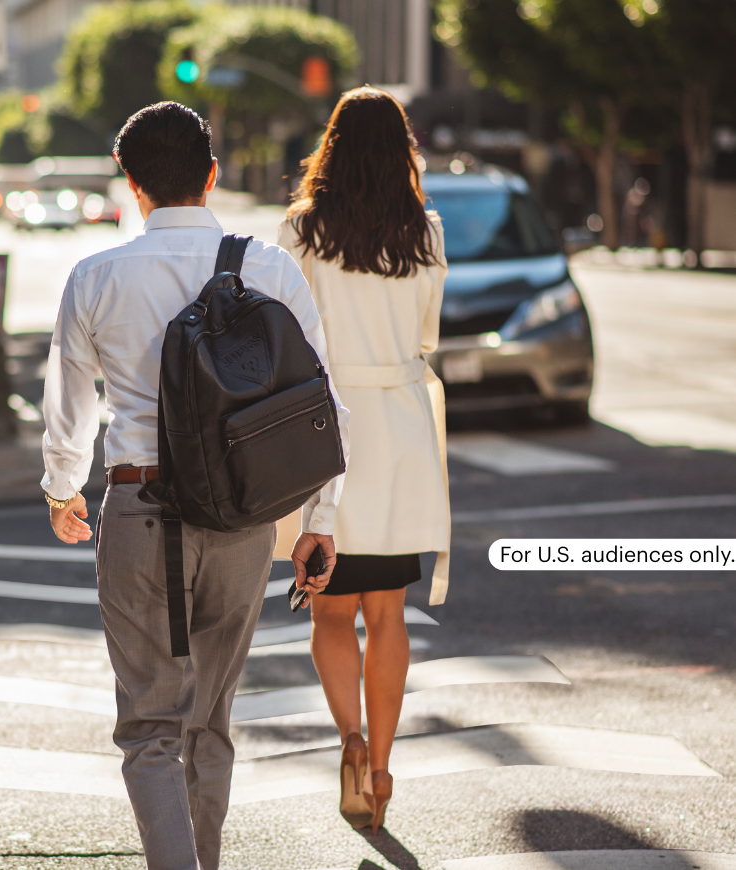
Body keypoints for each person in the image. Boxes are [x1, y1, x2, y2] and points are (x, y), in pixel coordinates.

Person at [41, 101, 349, 870]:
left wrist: (62, 489)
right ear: (211, 176)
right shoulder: (269, 268)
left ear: (131, 183)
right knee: (209, 720)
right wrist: (322, 517)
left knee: (149, 727)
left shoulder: (95, 277)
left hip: (139, 511)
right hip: (243, 519)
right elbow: (324, 404)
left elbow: (69, 408)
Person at [276, 87, 452, 834]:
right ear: (402, 148)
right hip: (401, 428)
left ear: (333, 146)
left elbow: (280, 334)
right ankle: (381, 768)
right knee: (389, 615)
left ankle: (346, 738)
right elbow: (427, 337)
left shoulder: (300, 230)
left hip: (324, 433)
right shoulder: (426, 232)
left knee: (329, 607)